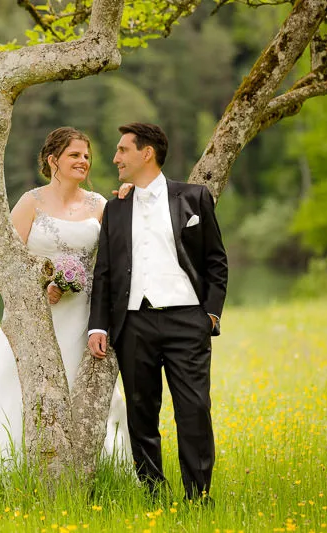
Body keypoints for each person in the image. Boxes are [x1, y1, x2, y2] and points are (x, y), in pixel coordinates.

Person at [0, 127, 131, 480]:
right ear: (53, 160)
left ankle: (86, 471)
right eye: (74, 155)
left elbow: (116, 255)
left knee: (79, 388)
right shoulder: (31, 202)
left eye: (86, 156)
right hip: (37, 311)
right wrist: (41, 285)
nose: (83, 161)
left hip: (82, 313)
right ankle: (4, 468)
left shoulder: (100, 205)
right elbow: (7, 260)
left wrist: (129, 198)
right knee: (11, 384)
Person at [87, 123, 228, 504]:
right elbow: (105, 273)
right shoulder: (115, 207)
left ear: (146, 153)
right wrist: (98, 325)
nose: (115, 158)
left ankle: (198, 497)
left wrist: (210, 316)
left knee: (194, 410)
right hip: (134, 324)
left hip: (187, 321)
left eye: (122, 150)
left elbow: (216, 262)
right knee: (141, 413)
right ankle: (153, 493)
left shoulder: (195, 198)